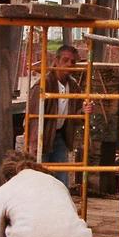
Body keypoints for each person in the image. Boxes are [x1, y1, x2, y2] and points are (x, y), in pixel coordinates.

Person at [27, 44, 89, 187]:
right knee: (40, 176)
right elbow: (34, 116)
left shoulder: (73, 86)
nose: (69, 64)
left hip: (60, 135)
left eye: (73, 62)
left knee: (61, 178)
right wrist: (33, 143)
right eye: (65, 60)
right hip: (43, 136)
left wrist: (83, 111)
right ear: (56, 61)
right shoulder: (44, 84)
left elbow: (75, 114)